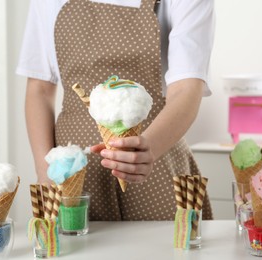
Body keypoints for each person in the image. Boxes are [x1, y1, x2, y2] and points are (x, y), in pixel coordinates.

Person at [17, 0, 215, 221]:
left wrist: (147, 150)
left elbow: (187, 88)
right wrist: (46, 173)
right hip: (73, 169)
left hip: (156, 159)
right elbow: (40, 89)